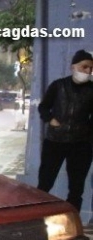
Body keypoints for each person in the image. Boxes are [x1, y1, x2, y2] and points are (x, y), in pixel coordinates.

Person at [37, 49, 93, 211]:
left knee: (76, 188)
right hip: (54, 141)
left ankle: (72, 220)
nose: (88, 71)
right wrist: (50, 119)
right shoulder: (58, 85)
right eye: (85, 67)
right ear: (73, 67)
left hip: (81, 144)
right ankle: (39, 217)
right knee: (45, 183)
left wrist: (87, 133)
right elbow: (43, 107)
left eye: (91, 69)